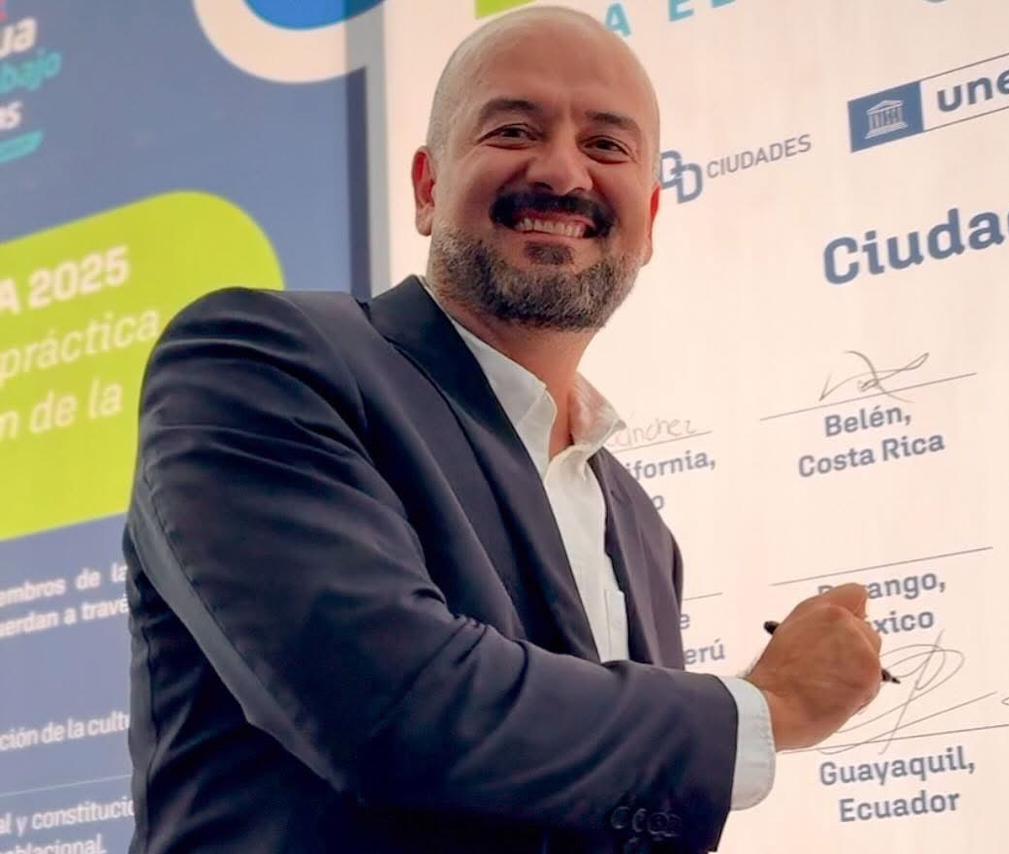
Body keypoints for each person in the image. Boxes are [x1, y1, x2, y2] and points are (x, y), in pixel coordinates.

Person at [122, 7, 884, 853]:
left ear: (650, 220)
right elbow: (393, 708)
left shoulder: (640, 528)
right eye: (515, 130)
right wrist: (765, 709)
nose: (562, 172)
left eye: (607, 146)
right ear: (428, 188)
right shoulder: (261, 361)